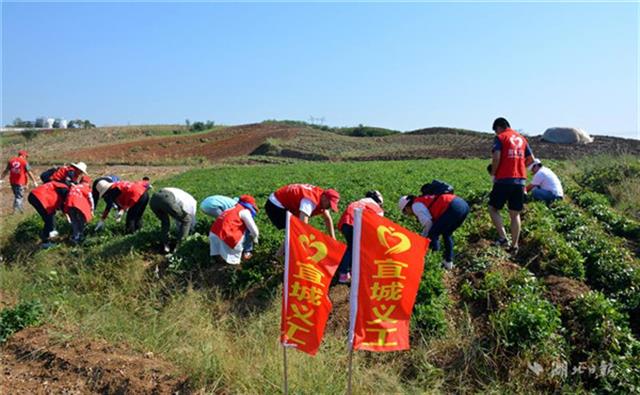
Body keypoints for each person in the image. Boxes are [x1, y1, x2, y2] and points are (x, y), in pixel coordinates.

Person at [488, 117, 534, 253]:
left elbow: (496, 157)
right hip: (519, 181)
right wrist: (519, 165)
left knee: (493, 208)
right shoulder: (522, 139)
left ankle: (503, 239)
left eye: (496, 131)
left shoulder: (501, 138)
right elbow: (530, 159)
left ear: (499, 127)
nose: (496, 133)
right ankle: (514, 246)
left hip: (503, 180)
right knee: (515, 214)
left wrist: (494, 174)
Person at [399, 191, 469, 270]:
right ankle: (448, 262)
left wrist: (423, 239)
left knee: (433, 234)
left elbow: (428, 223)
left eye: (405, 212)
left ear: (407, 207)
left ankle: (435, 262)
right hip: (463, 205)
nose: (408, 215)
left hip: (452, 206)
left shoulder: (415, 206)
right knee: (446, 233)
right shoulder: (420, 201)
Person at [336, 191, 384, 283]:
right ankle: (344, 273)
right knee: (355, 248)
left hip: (345, 223)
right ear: (378, 201)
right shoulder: (377, 208)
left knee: (351, 247)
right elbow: (379, 227)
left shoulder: (359, 202)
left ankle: (347, 270)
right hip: (356, 223)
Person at [265, 183, 340, 238]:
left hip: (281, 201)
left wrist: (333, 238)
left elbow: (327, 218)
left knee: (295, 230)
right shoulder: (310, 201)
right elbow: (303, 224)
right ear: (324, 197)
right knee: (296, 230)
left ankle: (279, 255)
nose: (329, 207)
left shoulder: (321, 196)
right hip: (275, 205)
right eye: (329, 204)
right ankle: (280, 255)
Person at [209, 195, 260, 265]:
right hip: (227, 236)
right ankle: (234, 270)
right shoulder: (244, 211)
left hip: (214, 233)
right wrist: (255, 239)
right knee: (234, 262)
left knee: (219, 260)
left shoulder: (229, 209)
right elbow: (254, 230)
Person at [150, 187, 197, 253]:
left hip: (154, 199)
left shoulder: (183, 195)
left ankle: (165, 245)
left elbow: (177, 215)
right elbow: (189, 216)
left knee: (165, 222)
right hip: (166, 198)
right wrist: (192, 228)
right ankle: (180, 246)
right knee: (187, 220)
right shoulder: (191, 202)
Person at [27, 181, 69, 248]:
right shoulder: (64, 188)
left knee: (48, 219)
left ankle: (47, 236)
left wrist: (67, 216)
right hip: (41, 198)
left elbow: (62, 205)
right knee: (50, 220)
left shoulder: (57, 185)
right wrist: (68, 218)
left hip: (33, 195)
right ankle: (47, 242)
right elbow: (65, 202)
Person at [64, 178, 94, 244]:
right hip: (78, 204)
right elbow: (90, 198)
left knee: (74, 221)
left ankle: (76, 237)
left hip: (69, 204)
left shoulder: (74, 186)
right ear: (88, 183)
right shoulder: (86, 187)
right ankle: (82, 235)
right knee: (82, 219)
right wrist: (92, 209)